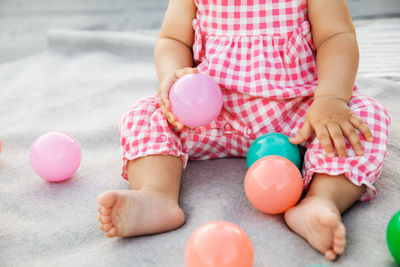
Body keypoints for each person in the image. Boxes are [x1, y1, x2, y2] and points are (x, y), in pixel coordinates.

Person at [97, 0, 390, 261]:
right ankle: (156, 195)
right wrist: (174, 76)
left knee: (364, 117)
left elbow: (336, 37)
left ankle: (321, 200)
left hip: (300, 116)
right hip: (212, 117)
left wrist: (330, 99)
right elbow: (172, 39)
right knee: (145, 113)